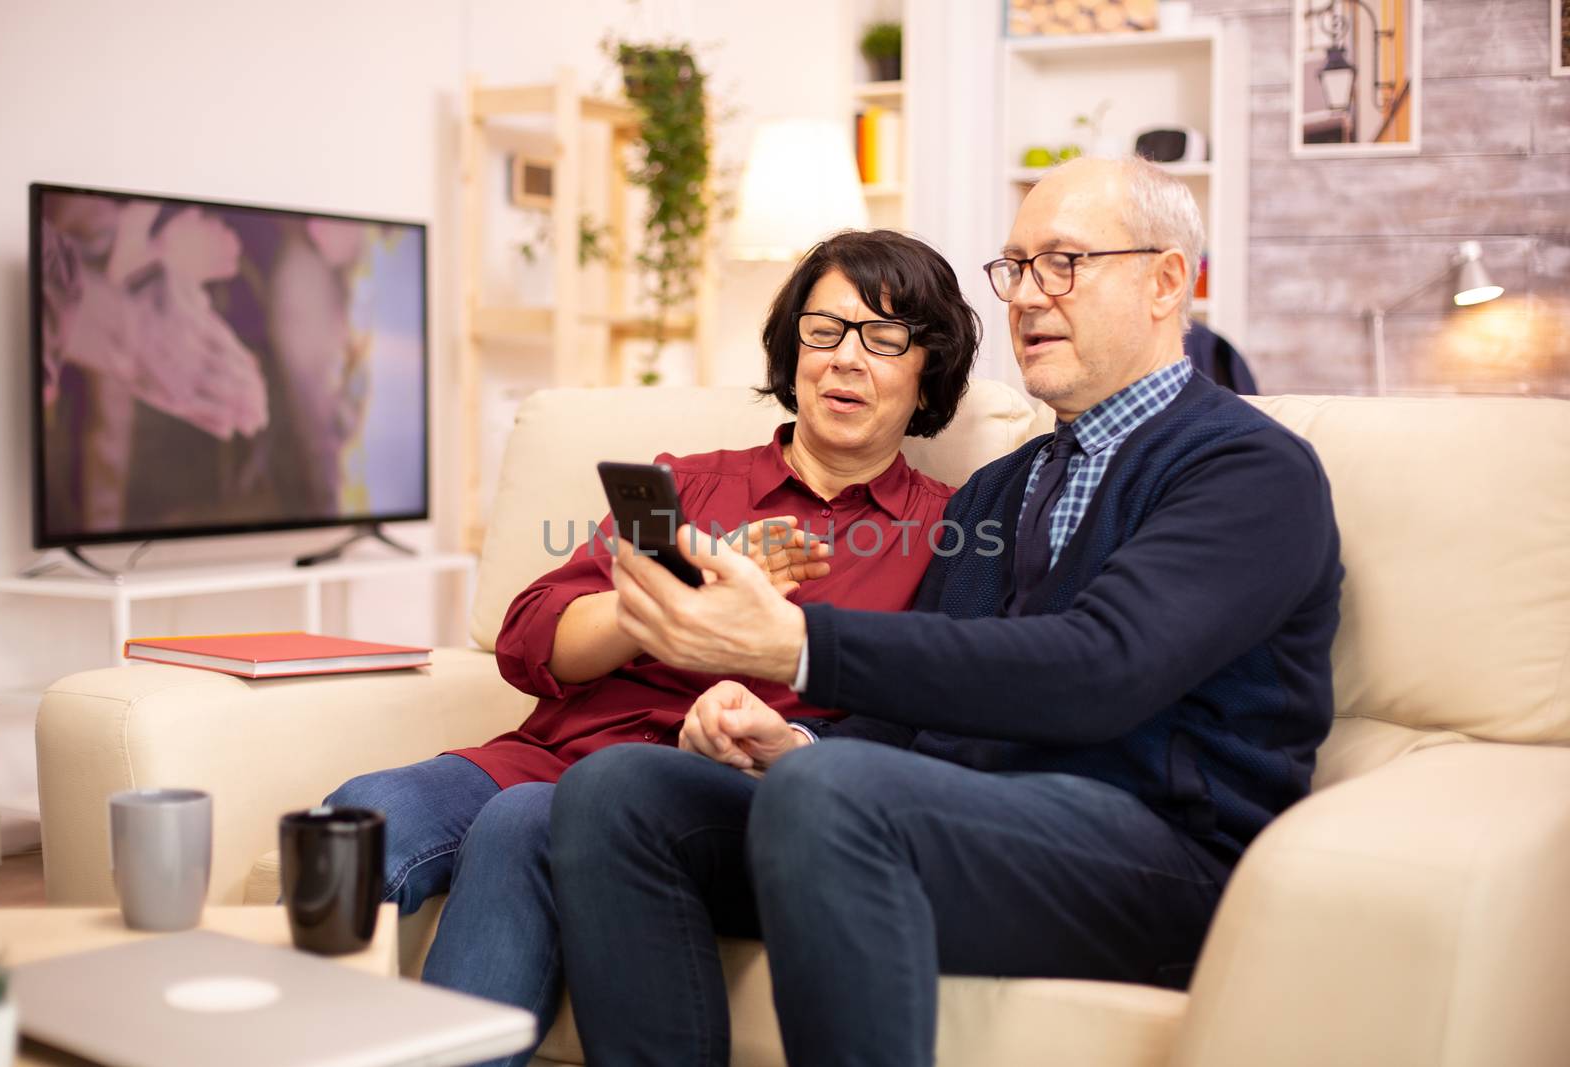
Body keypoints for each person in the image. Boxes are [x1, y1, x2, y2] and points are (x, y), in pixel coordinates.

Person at [548, 156, 1344, 1066]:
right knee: (618, 793)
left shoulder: (1247, 470)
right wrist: (795, 744)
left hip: (1164, 859)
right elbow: (914, 723)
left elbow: (1099, 670)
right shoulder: (999, 489)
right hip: (973, 828)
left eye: (1064, 264)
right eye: (1015, 268)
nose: (1030, 297)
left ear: (1166, 280)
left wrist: (795, 644)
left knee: (831, 796)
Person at [321, 228, 981, 1065]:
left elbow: (928, 719)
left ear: (929, 367)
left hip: (715, 796)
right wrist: (663, 606)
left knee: (528, 822)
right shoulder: (693, 483)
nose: (846, 360)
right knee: (355, 816)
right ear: (793, 346)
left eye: (885, 338)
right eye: (825, 330)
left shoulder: (949, 531)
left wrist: (779, 738)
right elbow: (531, 633)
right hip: (554, 752)